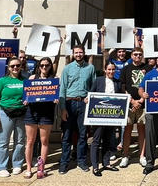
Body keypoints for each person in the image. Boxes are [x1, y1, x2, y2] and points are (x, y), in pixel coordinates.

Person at [59, 45, 95, 174]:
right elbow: (62, 89)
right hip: (69, 103)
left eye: (81, 52)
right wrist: (63, 109)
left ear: (84, 53)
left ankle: (81, 161)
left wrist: (89, 97)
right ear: (73, 54)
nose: (79, 54)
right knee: (67, 135)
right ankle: (64, 163)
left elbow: (93, 86)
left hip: (83, 103)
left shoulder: (90, 68)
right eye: (76, 52)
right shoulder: (67, 69)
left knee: (82, 134)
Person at [0, 56, 28, 177]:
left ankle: (17, 164)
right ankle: (0, 166)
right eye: (12, 66)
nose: (15, 68)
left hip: (21, 113)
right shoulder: (2, 81)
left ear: (21, 67)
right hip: (5, 113)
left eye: (18, 65)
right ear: (9, 68)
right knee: (3, 141)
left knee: (20, 141)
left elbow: (30, 96)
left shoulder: (25, 80)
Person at [89, 62, 124, 176]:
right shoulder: (98, 80)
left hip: (112, 116)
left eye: (113, 69)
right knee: (96, 140)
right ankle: (95, 166)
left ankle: (106, 163)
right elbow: (91, 94)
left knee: (108, 140)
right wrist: (87, 99)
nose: (111, 72)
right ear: (105, 70)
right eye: (109, 69)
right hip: (98, 116)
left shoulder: (118, 83)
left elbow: (121, 98)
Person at [26, 57, 58, 178]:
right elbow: (27, 94)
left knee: (44, 141)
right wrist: (26, 100)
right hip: (32, 112)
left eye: (47, 65)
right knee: (30, 141)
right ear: (38, 66)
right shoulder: (32, 78)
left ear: (50, 66)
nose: (44, 67)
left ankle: (41, 168)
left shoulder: (54, 79)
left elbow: (56, 95)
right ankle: (29, 168)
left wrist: (56, 99)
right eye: (42, 65)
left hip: (46, 113)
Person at [119, 47, 150, 168]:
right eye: (135, 54)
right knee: (127, 130)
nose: (137, 56)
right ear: (131, 56)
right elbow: (123, 86)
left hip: (143, 104)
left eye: (140, 54)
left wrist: (141, 100)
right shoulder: (126, 68)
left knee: (142, 130)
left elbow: (149, 86)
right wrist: (132, 101)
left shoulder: (147, 68)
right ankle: (125, 155)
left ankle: (142, 156)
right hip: (129, 105)